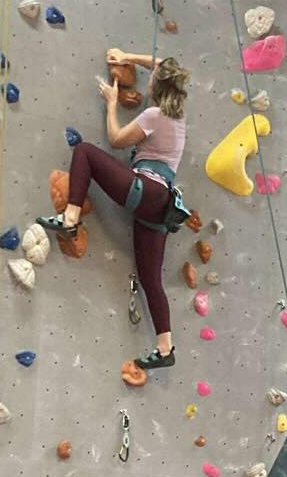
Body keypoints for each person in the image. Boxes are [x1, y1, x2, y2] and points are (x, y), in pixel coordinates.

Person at [41, 51, 190, 373]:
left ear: (158, 89)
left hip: (146, 189)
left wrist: (111, 102)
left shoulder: (153, 115)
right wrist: (128, 57)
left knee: (85, 152)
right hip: (161, 205)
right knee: (151, 278)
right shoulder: (179, 117)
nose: (148, 77)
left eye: (151, 77)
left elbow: (116, 139)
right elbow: (163, 63)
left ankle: (70, 219)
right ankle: (165, 348)